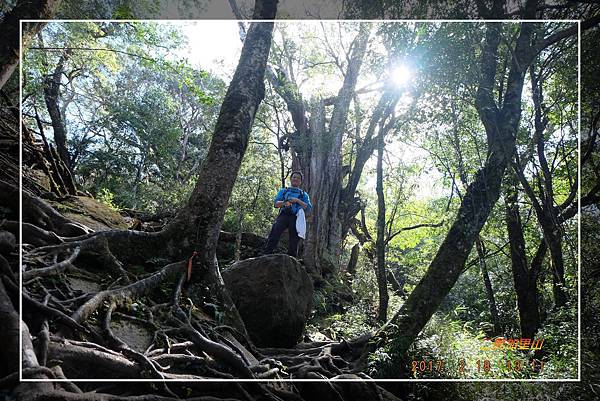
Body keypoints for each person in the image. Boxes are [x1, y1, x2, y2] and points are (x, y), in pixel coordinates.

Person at [262, 171, 312, 257]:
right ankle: (266, 254)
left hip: (296, 217)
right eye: (294, 177)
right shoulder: (284, 191)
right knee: (275, 232)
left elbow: (308, 208)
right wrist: (285, 202)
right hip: (284, 215)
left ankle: (292, 258)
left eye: (298, 178)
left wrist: (297, 201)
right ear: (291, 179)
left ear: (300, 181)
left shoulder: (303, 194)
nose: (295, 179)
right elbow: (276, 204)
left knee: (294, 238)